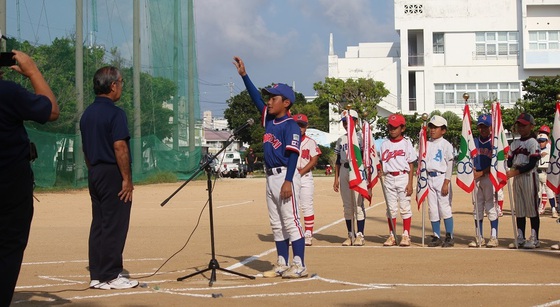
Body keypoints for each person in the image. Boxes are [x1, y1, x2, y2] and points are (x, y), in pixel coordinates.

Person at [233, 56, 307, 279]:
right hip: (269, 177)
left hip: (285, 175)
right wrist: (245, 76)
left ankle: (299, 264)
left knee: (291, 221)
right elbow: (256, 98)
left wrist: (287, 180)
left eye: (273, 98)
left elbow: (293, 154)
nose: (269, 102)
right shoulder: (269, 120)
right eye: (269, 98)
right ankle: (282, 263)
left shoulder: (290, 125)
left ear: (286, 103)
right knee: (276, 223)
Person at [0, 50, 58, 306]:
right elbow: (51, 110)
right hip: (9, 188)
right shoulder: (7, 92)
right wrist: (33, 70)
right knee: (8, 248)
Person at [80, 66, 139, 289]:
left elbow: (85, 148)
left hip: (95, 172)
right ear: (112, 85)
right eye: (121, 82)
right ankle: (111, 274)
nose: (121, 86)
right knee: (115, 223)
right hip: (112, 172)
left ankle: (97, 274)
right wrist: (126, 179)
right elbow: (120, 146)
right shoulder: (116, 113)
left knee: (99, 223)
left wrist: (93, 169)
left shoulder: (87, 114)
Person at [380, 114, 417, 247]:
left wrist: (410, 183)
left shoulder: (406, 143)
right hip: (389, 177)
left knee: (405, 207)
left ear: (402, 128)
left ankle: (406, 235)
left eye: (395, 127)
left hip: (403, 176)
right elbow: (383, 162)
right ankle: (392, 235)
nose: (392, 130)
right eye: (390, 127)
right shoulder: (384, 144)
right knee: (390, 208)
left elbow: (411, 163)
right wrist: (381, 171)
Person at [507, 113, 541, 249]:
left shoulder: (533, 142)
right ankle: (520, 235)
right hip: (517, 177)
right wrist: (508, 159)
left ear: (531, 126)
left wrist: (514, 171)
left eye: (524, 125)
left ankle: (535, 237)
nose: (521, 127)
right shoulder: (514, 143)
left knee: (531, 208)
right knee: (519, 208)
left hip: (529, 176)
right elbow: (510, 162)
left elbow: (532, 163)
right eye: (519, 125)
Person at [333, 109, 367, 246]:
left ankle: (360, 235)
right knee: (347, 206)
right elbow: (337, 160)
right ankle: (350, 234)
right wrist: (336, 179)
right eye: (344, 122)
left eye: (350, 121)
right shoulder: (341, 139)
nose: (347, 124)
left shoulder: (361, 137)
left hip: (358, 170)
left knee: (358, 205)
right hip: (344, 169)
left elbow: (367, 157)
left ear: (356, 121)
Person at [468, 114, 500, 248]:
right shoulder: (473, 141)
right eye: (480, 126)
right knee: (477, 207)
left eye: (485, 127)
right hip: (476, 178)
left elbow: (495, 163)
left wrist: (481, 172)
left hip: (489, 178)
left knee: (491, 206)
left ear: (491, 128)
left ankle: (494, 236)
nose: (483, 129)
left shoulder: (494, 143)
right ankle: (479, 236)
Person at [425, 115, 455, 247]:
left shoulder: (446, 144)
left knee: (444, 207)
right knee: (432, 208)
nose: (432, 130)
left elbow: (450, 164)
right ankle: (436, 235)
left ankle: (449, 235)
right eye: (431, 127)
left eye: (436, 127)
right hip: (429, 177)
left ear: (443, 130)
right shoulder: (426, 143)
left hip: (441, 177)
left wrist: (446, 182)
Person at [292, 114, 322, 246]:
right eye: (297, 125)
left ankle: (308, 233)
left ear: (306, 126)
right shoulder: (288, 140)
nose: (300, 128)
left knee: (306, 205)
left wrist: (301, 172)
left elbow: (314, 159)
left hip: (305, 176)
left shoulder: (310, 142)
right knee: (294, 207)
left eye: (302, 125)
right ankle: (296, 233)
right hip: (291, 176)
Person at [537, 132, 557, 217]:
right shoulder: (535, 150)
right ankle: (537, 209)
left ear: (546, 141)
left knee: (549, 192)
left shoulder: (549, 150)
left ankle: (553, 209)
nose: (541, 143)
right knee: (537, 192)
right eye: (539, 141)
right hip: (537, 172)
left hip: (546, 172)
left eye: (543, 141)